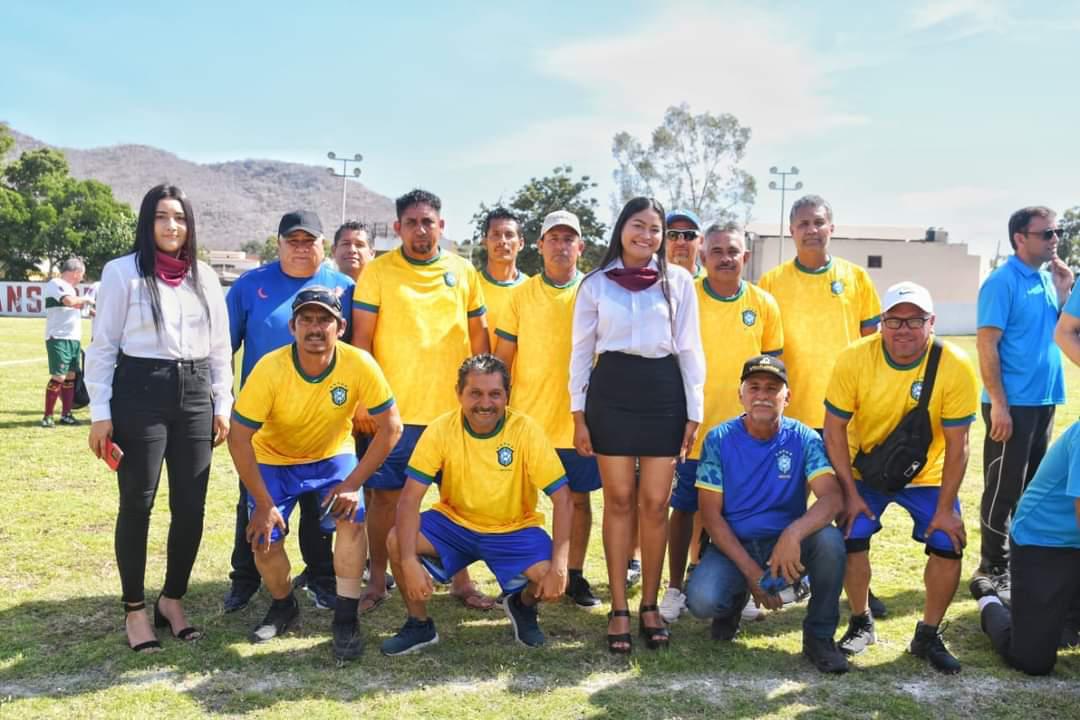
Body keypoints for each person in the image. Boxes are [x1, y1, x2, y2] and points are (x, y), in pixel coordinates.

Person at [85, 184, 233, 652]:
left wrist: (221, 404)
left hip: (194, 395)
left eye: (181, 218)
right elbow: (104, 346)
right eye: (162, 217)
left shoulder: (205, 276)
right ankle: (134, 610)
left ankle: (172, 600)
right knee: (138, 501)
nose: (172, 226)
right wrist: (100, 414)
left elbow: (220, 348)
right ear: (147, 223)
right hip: (139, 393)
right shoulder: (121, 273)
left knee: (191, 506)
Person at [228, 287, 402, 660]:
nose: (315, 327)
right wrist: (261, 502)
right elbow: (239, 438)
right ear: (292, 326)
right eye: (306, 319)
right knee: (263, 539)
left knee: (352, 520)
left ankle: (345, 617)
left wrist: (353, 485)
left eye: (324, 319)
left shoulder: (359, 363)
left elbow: (392, 428)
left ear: (340, 327)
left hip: (330, 455)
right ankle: (284, 603)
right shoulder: (270, 369)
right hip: (273, 458)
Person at [570, 196, 705, 652]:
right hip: (610, 393)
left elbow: (689, 349)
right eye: (638, 225)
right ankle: (619, 609)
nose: (646, 236)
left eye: (655, 229)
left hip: (663, 394)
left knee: (654, 503)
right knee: (620, 500)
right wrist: (578, 415)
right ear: (621, 229)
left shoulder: (679, 282)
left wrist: (694, 413)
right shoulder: (594, 284)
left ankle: (649, 603)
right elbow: (580, 353)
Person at [823, 282, 978, 674]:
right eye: (894, 319)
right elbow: (834, 429)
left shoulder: (955, 365)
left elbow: (959, 445)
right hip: (865, 470)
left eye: (915, 320)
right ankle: (861, 620)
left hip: (928, 474)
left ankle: (927, 633)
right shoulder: (855, 358)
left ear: (932, 323)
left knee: (948, 541)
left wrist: (945, 509)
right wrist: (848, 492)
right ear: (880, 323)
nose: (903, 329)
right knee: (850, 535)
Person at [352, 189, 494, 614]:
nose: (420, 229)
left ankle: (462, 582)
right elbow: (361, 342)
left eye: (427, 222)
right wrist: (364, 401)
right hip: (392, 415)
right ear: (397, 228)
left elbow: (479, 339)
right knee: (384, 501)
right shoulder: (377, 272)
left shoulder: (463, 271)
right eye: (411, 222)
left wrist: (481, 401)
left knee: (458, 502)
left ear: (441, 226)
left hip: (452, 417)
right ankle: (378, 581)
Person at [382, 355, 572, 654]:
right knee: (396, 540)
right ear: (459, 393)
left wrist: (561, 566)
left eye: (494, 394)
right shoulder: (441, 429)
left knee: (549, 574)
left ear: (507, 396)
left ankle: (522, 606)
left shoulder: (526, 430)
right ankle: (419, 625)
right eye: (475, 393)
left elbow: (563, 499)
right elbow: (409, 500)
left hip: (513, 529)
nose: (485, 403)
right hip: (454, 524)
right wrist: (408, 561)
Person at [758, 194, 886, 617]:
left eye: (819, 222)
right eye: (803, 224)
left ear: (832, 227)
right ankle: (787, 576)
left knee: (850, 501)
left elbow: (874, 346)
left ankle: (856, 588)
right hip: (792, 417)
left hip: (847, 416)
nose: (811, 230)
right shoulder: (773, 283)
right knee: (789, 500)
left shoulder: (856, 279)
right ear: (791, 232)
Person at [223, 210, 356, 613]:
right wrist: (222, 401)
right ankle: (244, 578)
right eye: (292, 241)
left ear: (322, 246)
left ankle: (320, 575)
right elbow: (222, 348)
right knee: (255, 499)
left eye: (308, 241)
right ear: (278, 244)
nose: (300, 248)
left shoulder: (344, 286)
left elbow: (359, 352)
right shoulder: (250, 286)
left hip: (325, 421)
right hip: (265, 423)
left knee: (320, 507)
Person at [685, 355, 848, 673]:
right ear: (740, 394)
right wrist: (753, 576)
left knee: (829, 542)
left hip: (784, 548)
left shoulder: (804, 438)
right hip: (735, 545)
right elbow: (711, 516)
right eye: (754, 387)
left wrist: (793, 534)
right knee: (702, 601)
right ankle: (732, 604)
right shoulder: (718, 439)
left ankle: (819, 638)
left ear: (787, 397)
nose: (762, 395)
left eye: (772, 388)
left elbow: (832, 498)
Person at [660, 222, 783, 624]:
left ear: (745, 257)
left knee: (743, 512)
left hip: (745, 437)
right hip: (693, 430)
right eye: (716, 251)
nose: (725, 257)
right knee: (684, 509)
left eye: (733, 250)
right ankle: (674, 588)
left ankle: (747, 589)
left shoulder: (764, 304)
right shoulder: (685, 297)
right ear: (703, 255)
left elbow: (774, 373)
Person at [494, 210, 603, 609]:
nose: (561, 245)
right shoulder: (520, 295)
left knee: (578, 501)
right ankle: (520, 579)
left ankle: (573, 575)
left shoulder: (595, 291)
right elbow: (502, 360)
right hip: (528, 421)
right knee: (519, 504)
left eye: (568, 238)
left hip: (579, 422)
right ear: (539, 246)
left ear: (581, 247)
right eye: (553, 238)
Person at [975, 206, 1072, 599]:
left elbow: (1059, 332)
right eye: (1047, 233)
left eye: (1057, 232)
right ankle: (992, 566)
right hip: (1011, 405)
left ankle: (1017, 562)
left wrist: (1064, 291)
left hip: (1043, 401)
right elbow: (986, 344)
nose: (1055, 239)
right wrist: (999, 403)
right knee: (1003, 488)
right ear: (1020, 238)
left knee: (1031, 489)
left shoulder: (1049, 280)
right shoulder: (1001, 282)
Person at [970, 421, 1080, 675]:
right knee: (1032, 660)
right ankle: (988, 595)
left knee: (1066, 635)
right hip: (1044, 542)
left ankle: (1064, 613)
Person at [42, 258, 93, 427]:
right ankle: (47, 416)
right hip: (58, 337)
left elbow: (78, 307)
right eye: (82, 275)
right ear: (76, 272)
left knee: (71, 376)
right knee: (60, 376)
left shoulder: (71, 288)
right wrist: (86, 299)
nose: (81, 278)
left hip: (73, 338)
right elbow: (69, 301)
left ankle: (66, 414)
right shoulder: (56, 283)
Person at [478, 208, 528, 352]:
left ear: (521, 243)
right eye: (495, 235)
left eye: (509, 235)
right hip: (476, 373)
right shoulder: (470, 286)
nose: (502, 241)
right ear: (484, 241)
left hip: (520, 375)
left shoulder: (531, 289)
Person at [665, 209, 705, 279]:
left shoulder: (714, 282)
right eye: (672, 235)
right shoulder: (650, 281)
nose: (680, 242)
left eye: (689, 235)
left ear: (701, 242)